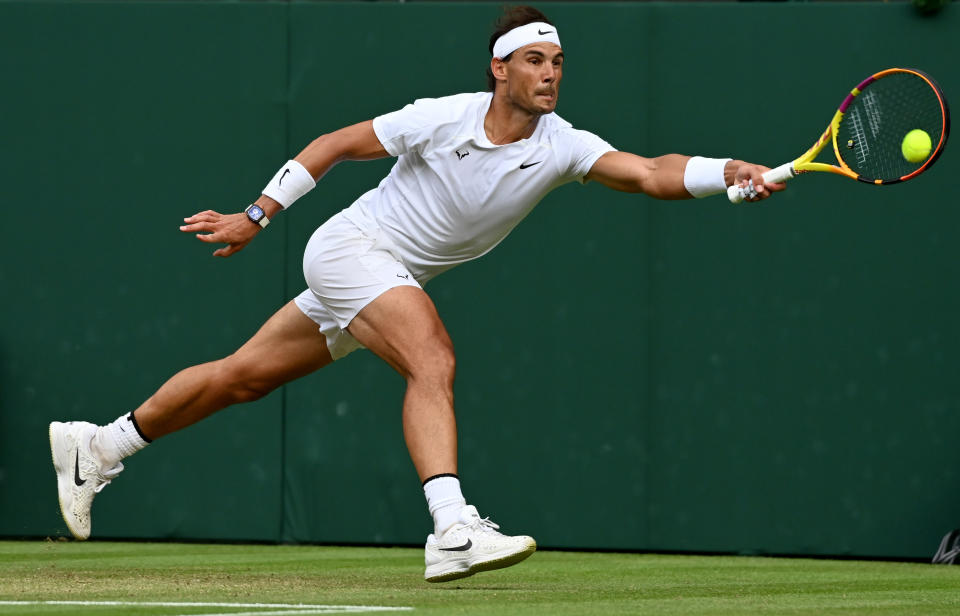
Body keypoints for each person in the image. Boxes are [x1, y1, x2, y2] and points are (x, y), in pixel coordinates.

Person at [48, 5, 784, 583]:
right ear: (500, 69)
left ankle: (99, 446)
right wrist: (255, 215)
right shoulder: (441, 117)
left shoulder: (563, 144)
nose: (550, 73)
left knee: (242, 378)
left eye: (558, 61)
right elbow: (333, 144)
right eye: (534, 60)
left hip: (381, 279)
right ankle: (451, 527)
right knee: (432, 357)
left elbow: (651, 171)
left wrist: (728, 173)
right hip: (350, 250)